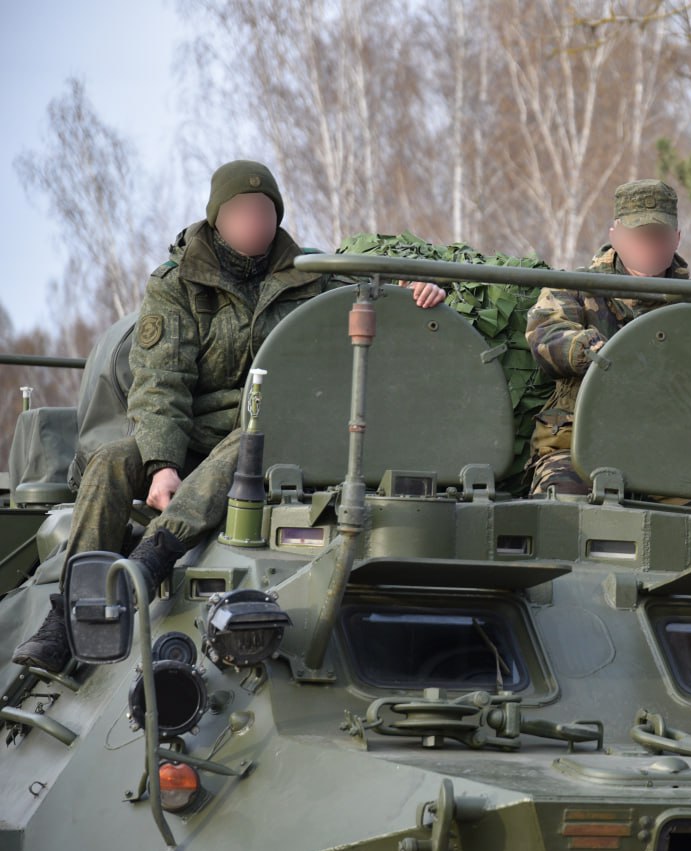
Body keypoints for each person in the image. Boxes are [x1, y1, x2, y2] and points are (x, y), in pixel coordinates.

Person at [12, 160, 447, 672]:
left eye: (264, 212)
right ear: (217, 218)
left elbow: (377, 305)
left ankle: (151, 560)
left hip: (269, 429)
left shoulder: (311, 275)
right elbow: (160, 382)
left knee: (249, 444)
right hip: (187, 431)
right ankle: (65, 618)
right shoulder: (178, 284)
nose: (254, 223)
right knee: (110, 462)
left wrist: (424, 291)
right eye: (242, 212)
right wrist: (160, 465)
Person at [525, 179, 691, 495]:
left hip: (676, 448)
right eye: (639, 235)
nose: (649, 244)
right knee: (562, 511)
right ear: (615, 236)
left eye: (658, 235)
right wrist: (595, 353)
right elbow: (547, 336)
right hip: (581, 442)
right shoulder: (571, 288)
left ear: (676, 239)